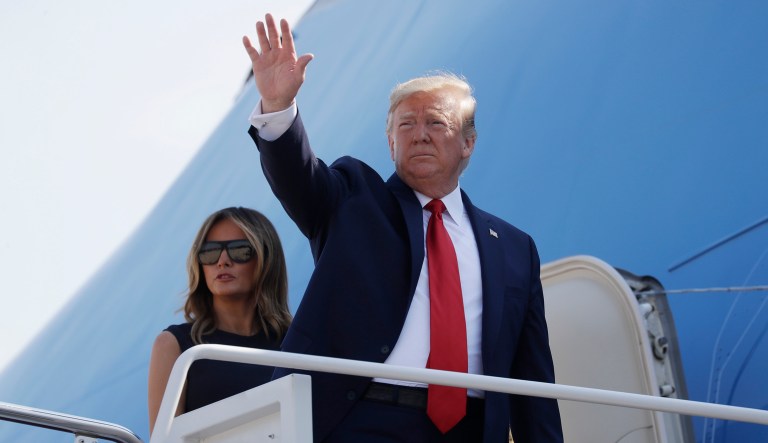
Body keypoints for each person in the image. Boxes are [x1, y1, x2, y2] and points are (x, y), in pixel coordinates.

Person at [242, 14, 563, 443]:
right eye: (406, 125)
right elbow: (299, 177)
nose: (420, 135)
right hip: (359, 419)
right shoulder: (353, 198)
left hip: (470, 428)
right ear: (391, 143)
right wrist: (279, 107)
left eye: (436, 123)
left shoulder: (515, 248)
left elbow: (532, 379)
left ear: (467, 142)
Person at [147, 206, 291, 434]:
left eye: (240, 250)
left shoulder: (294, 343)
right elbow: (164, 438)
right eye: (210, 252)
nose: (222, 261)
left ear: (266, 258)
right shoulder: (174, 346)